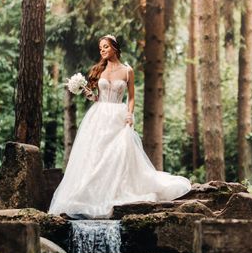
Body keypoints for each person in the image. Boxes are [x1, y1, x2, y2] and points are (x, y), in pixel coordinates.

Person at [49, 35, 191, 219]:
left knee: (119, 152)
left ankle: (117, 191)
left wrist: (129, 115)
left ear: (114, 47)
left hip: (118, 114)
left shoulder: (127, 71)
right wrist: (87, 93)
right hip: (99, 115)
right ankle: (91, 194)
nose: (103, 50)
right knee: (96, 154)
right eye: (100, 48)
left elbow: (131, 97)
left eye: (105, 47)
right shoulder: (99, 70)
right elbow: (97, 97)